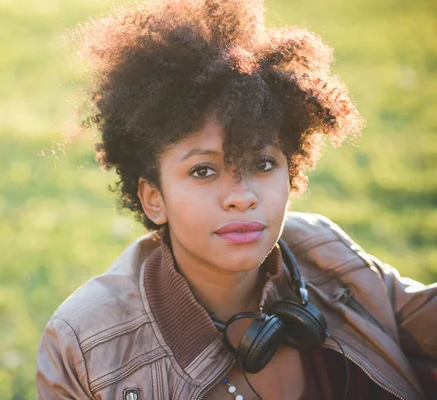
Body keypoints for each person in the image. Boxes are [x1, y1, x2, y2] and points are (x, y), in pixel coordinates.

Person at [36, 0, 436, 398]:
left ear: (291, 173)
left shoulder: (328, 255)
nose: (241, 197)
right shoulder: (86, 346)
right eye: (203, 171)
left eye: (262, 164)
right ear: (153, 197)